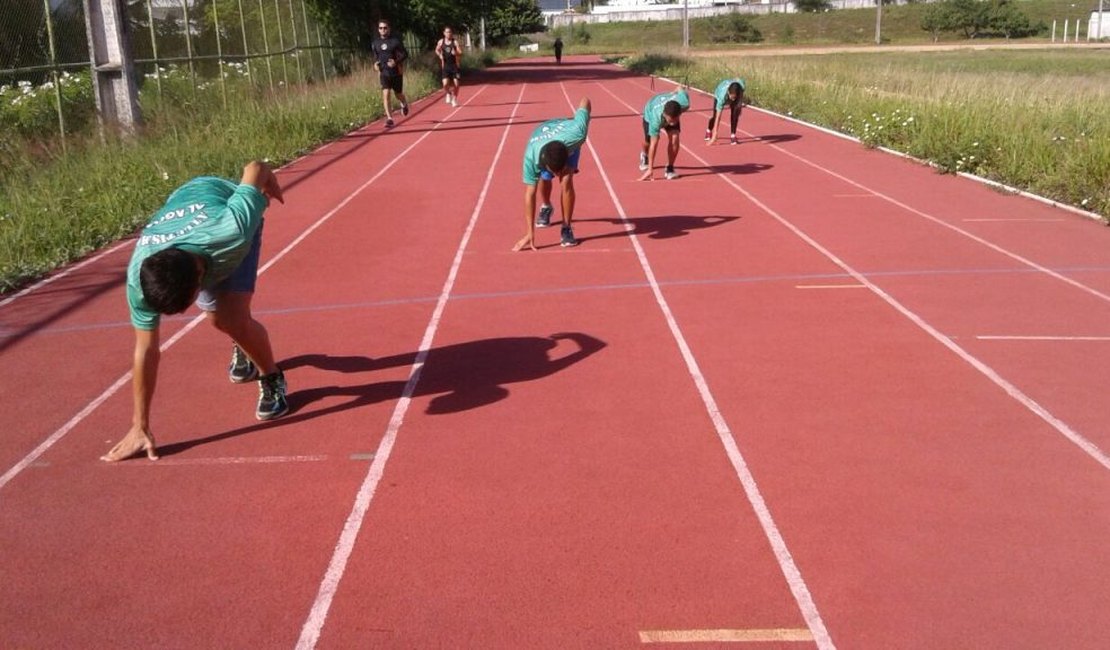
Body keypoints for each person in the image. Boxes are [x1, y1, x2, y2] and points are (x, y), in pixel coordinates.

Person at [101, 161, 288, 462]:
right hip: (184, 201)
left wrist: (271, 187)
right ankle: (242, 342)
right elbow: (146, 349)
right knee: (218, 320)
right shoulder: (140, 277)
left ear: (200, 280)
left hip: (222, 200)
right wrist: (140, 425)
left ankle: (272, 378)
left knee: (232, 318)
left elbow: (255, 167)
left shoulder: (233, 228)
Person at [514, 97, 592, 251]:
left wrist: (564, 170)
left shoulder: (577, 134)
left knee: (567, 179)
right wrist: (530, 233)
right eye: (553, 170)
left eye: (559, 170)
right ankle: (547, 206)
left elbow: (584, 100)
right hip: (542, 133)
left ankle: (566, 227)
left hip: (565, 135)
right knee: (544, 178)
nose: (557, 174)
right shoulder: (531, 156)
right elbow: (530, 194)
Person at [638, 88, 690, 181]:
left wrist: (674, 91)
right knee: (648, 142)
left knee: (675, 138)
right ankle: (644, 155)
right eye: (670, 120)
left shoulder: (684, 102)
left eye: (675, 120)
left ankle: (669, 168)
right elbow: (654, 145)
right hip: (650, 110)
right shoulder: (655, 118)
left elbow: (680, 88)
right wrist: (650, 169)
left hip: (671, 107)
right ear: (665, 115)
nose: (673, 123)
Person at [371, 19, 409, 128]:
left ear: (389, 29)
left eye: (385, 28)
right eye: (381, 28)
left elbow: (405, 54)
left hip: (396, 72)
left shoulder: (395, 42)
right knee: (386, 94)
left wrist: (396, 62)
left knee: (398, 94)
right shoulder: (375, 43)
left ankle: (404, 103)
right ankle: (389, 118)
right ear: (378, 30)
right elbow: (376, 58)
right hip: (384, 73)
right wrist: (375, 65)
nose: (383, 30)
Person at [705, 78, 746, 146]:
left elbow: (739, 79)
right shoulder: (722, 96)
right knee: (715, 117)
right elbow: (718, 117)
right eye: (731, 97)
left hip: (733, 88)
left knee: (735, 114)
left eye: (734, 97)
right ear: (728, 92)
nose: (732, 100)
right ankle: (709, 130)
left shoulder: (741, 87)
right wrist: (714, 135)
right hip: (719, 92)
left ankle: (733, 135)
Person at [435, 26, 462, 107]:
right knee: (445, 84)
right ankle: (448, 93)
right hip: (446, 66)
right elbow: (436, 50)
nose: (448, 33)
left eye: (450, 32)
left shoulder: (455, 42)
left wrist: (456, 53)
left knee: (456, 84)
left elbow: (460, 52)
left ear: (451, 33)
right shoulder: (441, 42)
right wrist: (439, 55)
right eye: (447, 32)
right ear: (444, 33)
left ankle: (454, 99)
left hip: (455, 66)